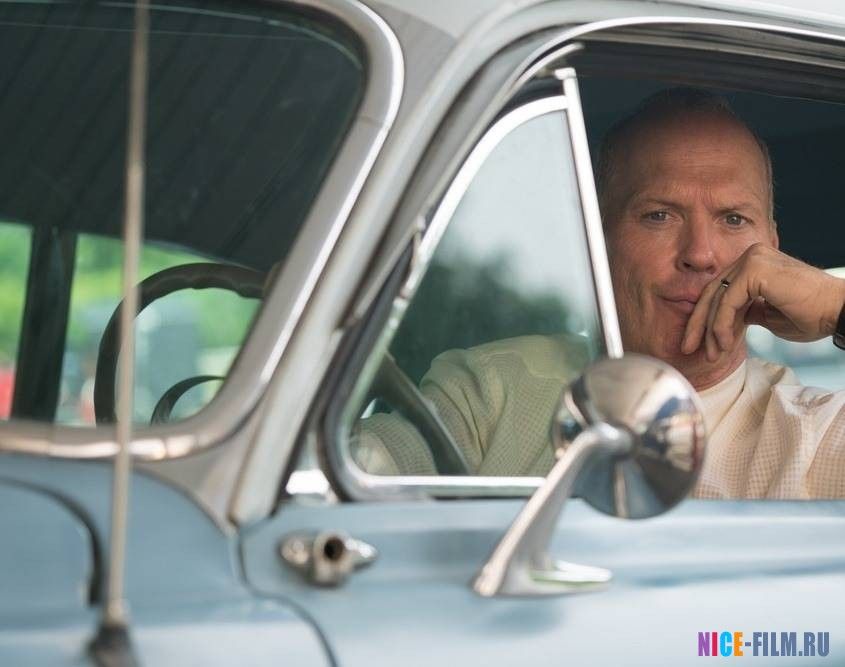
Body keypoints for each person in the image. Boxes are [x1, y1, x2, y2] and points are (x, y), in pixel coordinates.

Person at [354, 88, 845, 499]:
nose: (700, 254)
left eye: (733, 219)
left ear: (772, 250)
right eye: (659, 215)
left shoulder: (819, 434)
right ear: (596, 238)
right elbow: (350, 480)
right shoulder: (491, 392)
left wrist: (835, 307)